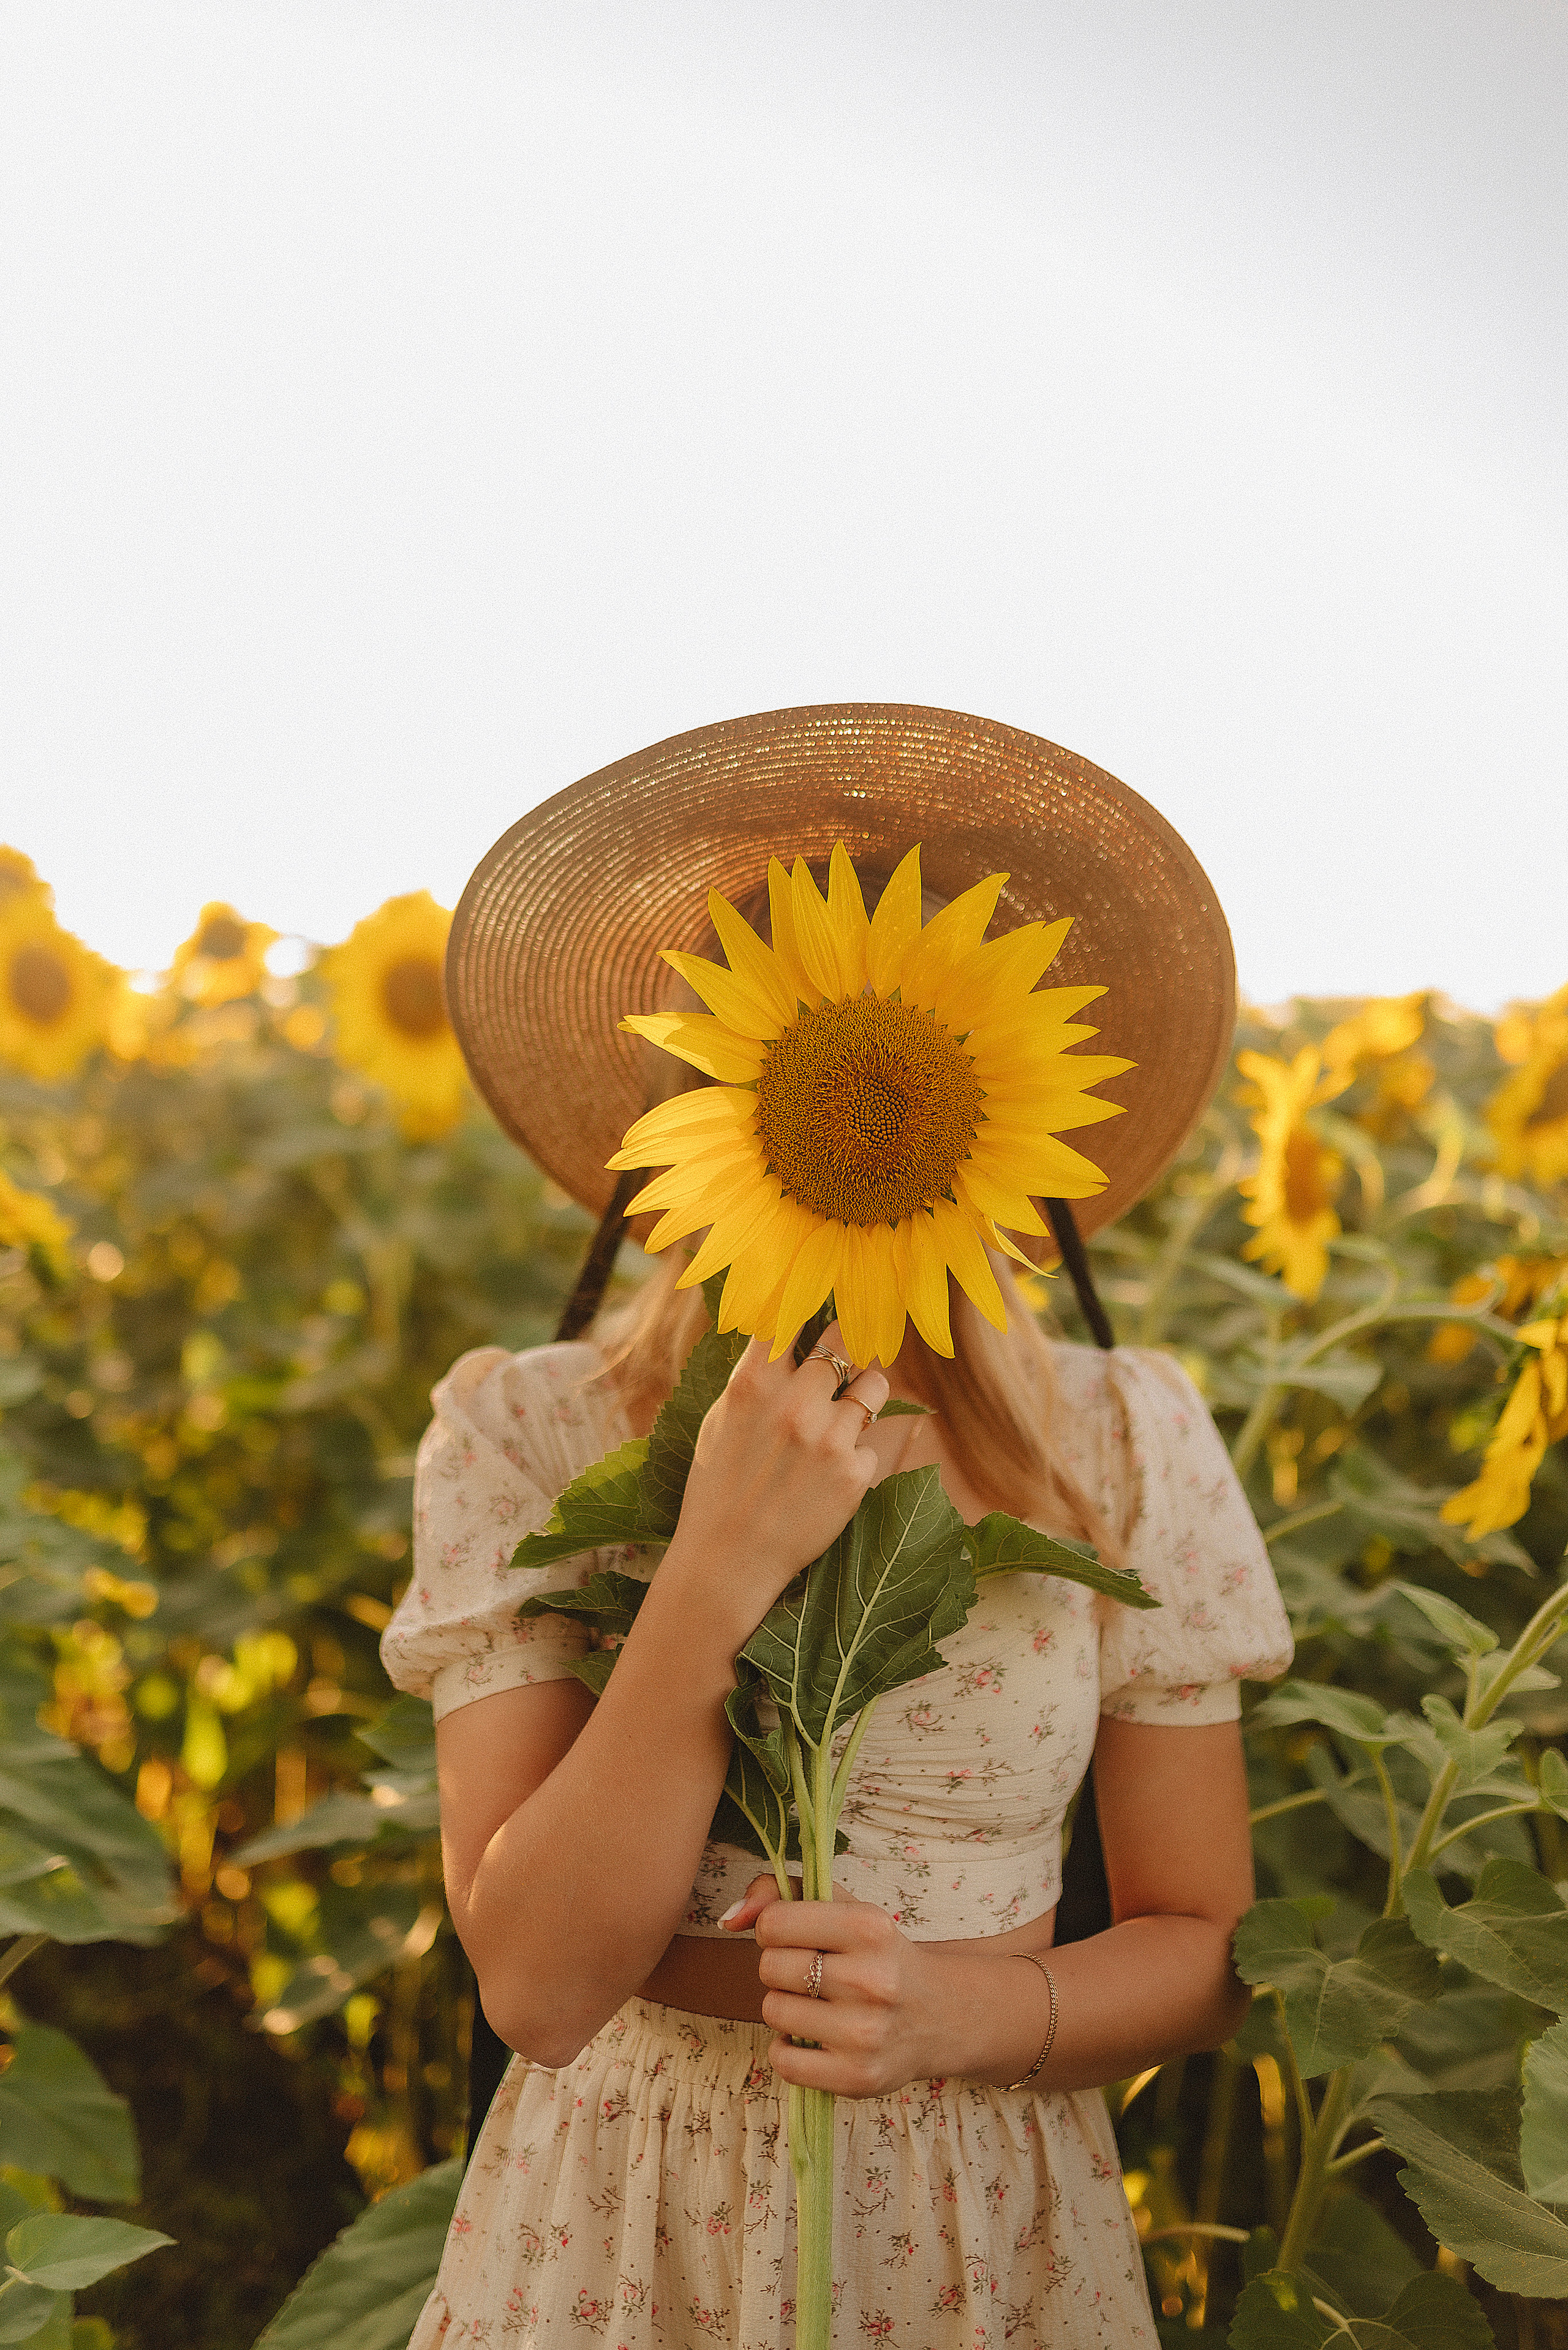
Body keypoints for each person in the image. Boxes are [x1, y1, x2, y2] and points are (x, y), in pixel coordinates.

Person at [382, 705, 1294, 2348]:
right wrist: (718, 1561)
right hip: (628, 2201)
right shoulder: (523, 1431)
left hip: (984, 2210)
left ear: (1006, 1092)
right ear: (701, 1082)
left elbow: (1210, 1943)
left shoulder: (1121, 1437)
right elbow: (536, 1984)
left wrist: (978, 2013)